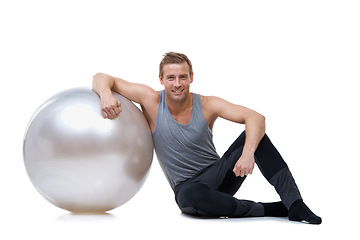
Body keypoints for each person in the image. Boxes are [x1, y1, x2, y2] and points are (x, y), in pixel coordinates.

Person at [92, 52, 322, 224]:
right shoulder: (151, 101)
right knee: (190, 196)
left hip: (220, 175)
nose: (177, 84)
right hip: (188, 188)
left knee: (256, 135)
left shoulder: (207, 104)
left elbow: (256, 117)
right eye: (171, 78)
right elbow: (102, 77)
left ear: (191, 77)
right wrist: (105, 95)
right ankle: (272, 209)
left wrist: (248, 153)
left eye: (183, 77)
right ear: (161, 79)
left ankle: (295, 204)